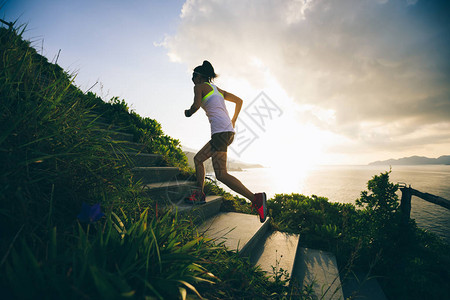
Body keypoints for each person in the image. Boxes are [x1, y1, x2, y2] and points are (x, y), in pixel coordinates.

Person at [184, 60, 267, 223]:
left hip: (221, 133)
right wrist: (233, 120)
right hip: (227, 132)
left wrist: (187, 112)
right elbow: (239, 101)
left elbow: (195, 106)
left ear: (199, 76)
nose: (192, 80)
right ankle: (199, 194)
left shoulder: (199, 87)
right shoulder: (217, 89)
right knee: (198, 159)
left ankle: (256, 199)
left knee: (221, 174)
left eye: (193, 76)